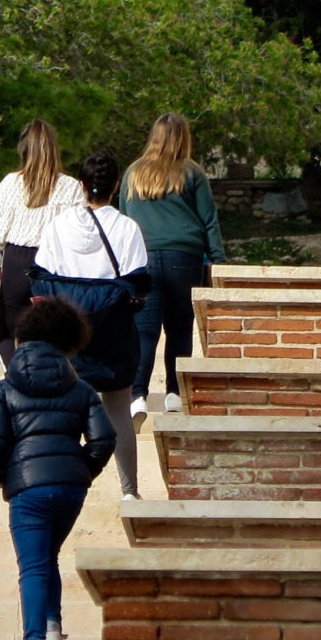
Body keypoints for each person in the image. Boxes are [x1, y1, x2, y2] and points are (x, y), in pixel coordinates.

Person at [0, 297, 117, 640]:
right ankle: (53, 629)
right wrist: (82, 470)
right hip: (70, 488)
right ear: (69, 341)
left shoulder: (5, 389)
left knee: (33, 564)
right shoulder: (81, 387)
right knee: (48, 555)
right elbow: (105, 438)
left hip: (28, 486)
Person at [29, 151, 153, 498]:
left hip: (67, 331)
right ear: (116, 187)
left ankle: (60, 480)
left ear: (81, 185)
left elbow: (41, 278)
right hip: (114, 331)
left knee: (64, 409)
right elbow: (139, 284)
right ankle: (129, 490)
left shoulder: (58, 225)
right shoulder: (128, 228)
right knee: (118, 410)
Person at [115, 113, 225, 421]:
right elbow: (208, 221)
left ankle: (137, 395)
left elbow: (124, 219)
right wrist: (218, 260)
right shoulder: (192, 173)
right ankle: (175, 394)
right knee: (179, 328)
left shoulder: (133, 173)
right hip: (184, 257)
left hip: (143, 258)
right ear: (183, 138)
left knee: (143, 331)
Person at [0, 119, 85, 348]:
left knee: (12, 334)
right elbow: (79, 233)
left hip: (16, 260)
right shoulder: (71, 187)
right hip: (54, 262)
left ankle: (19, 377)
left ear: (23, 149)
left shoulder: (9, 184)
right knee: (54, 334)